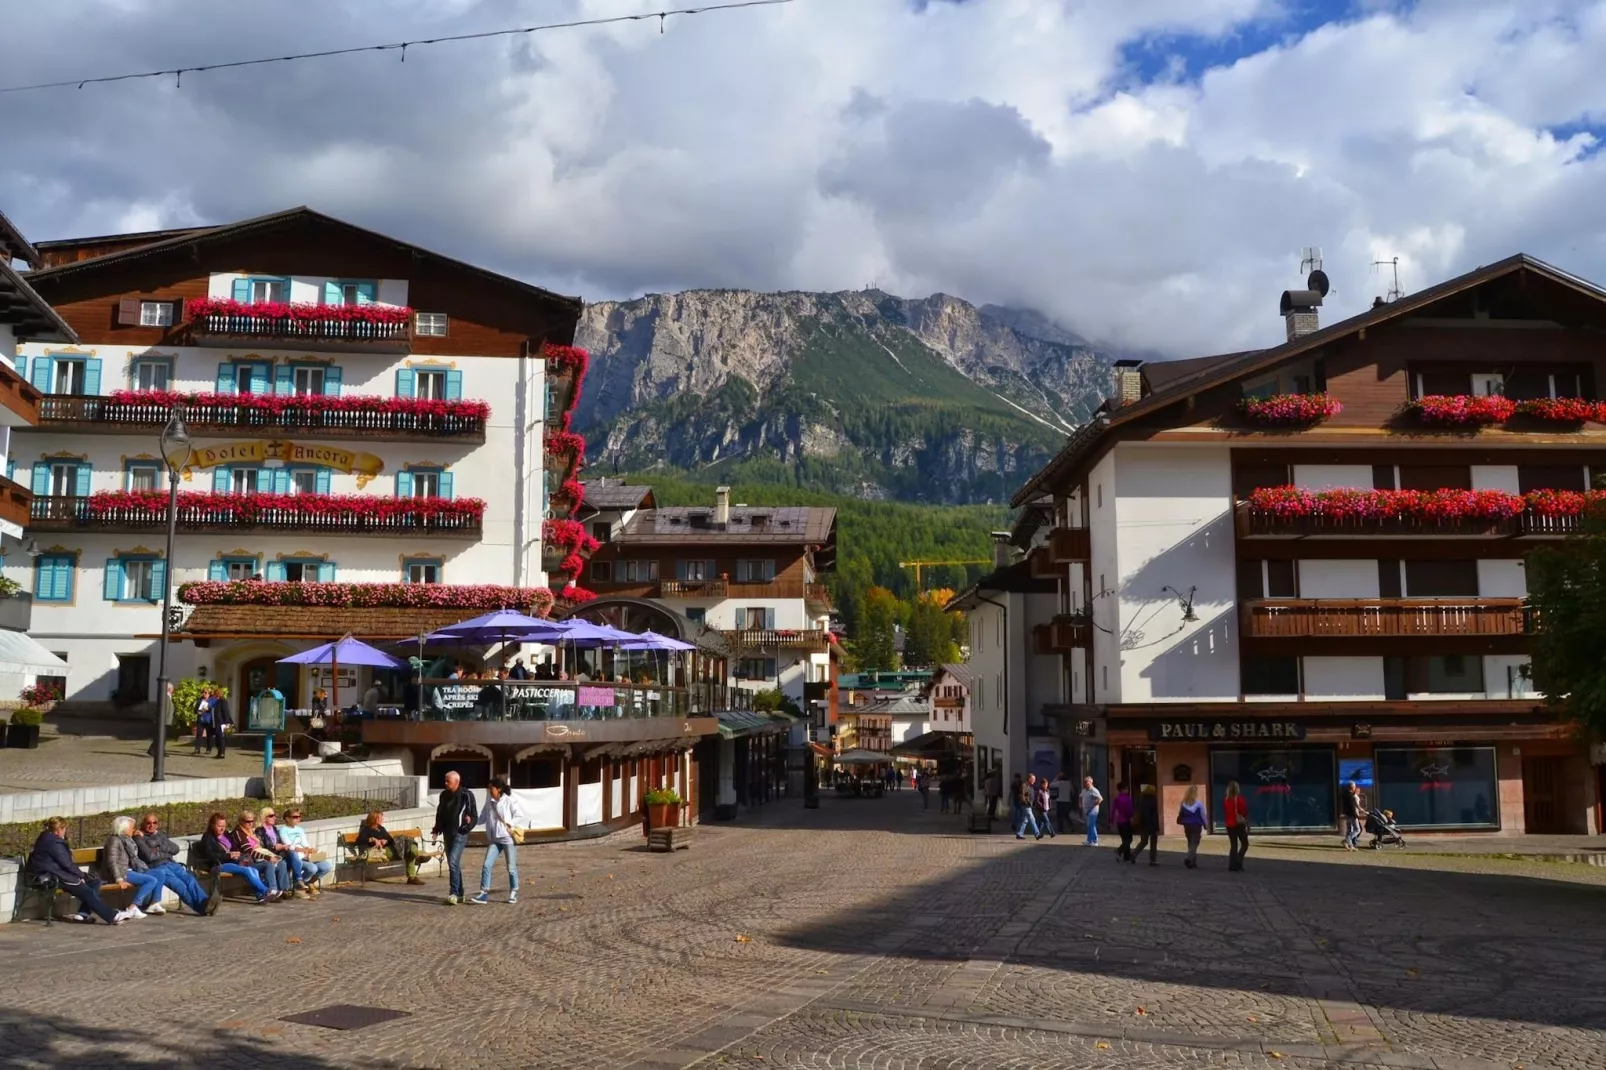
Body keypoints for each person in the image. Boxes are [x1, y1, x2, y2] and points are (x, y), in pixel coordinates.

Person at [27, 817, 131, 925]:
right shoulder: (54, 843)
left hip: (53, 873)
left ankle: (83, 914)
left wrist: (83, 876)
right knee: (86, 891)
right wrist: (81, 875)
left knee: (94, 882)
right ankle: (112, 916)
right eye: (64, 829)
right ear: (59, 830)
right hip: (52, 877)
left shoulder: (46, 838)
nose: (65, 832)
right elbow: (67, 864)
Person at [133, 812, 217, 914]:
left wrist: (158, 848)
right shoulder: (139, 837)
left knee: (190, 879)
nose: (152, 825)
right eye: (148, 823)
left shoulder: (160, 834)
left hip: (171, 864)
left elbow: (175, 849)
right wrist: (166, 853)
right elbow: (149, 856)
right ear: (143, 824)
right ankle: (202, 909)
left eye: (154, 823)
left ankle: (205, 901)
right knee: (180, 886)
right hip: (157, 867)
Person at [193, 812, 272, 903]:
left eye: (224, 826)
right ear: (212, 825)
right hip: (217, 865)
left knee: (253, 870)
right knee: (246, 870)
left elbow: (234, 846)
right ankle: (266, 891)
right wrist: (228, 855)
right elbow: (210, 855)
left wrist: (236, 853)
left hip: (232, 861)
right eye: (219, 826)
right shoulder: (208, 837)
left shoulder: (226, 834)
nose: (222, 828)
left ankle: (260, 896)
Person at [100, 815, 166, 918]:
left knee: (160, 873)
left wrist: (137, 834)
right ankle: (133, 907)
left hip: (131, 870)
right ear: (124, 828)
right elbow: (112, 861)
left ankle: (154, 904)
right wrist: (119, 879)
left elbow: (131, 851)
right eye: (132, 828)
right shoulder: (114, 840)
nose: (134, 829)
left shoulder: (126, 839)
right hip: (122, 873)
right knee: (151, 880)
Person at [472, 777, 525, 905]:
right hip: (494, 839)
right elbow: (483, 818)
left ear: (499, 789)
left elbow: (519, 815)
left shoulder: (509, 801)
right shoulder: (489, 802)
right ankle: (484, 893)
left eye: (491, 788)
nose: (489, 791)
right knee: (486, 865)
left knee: (511, 867)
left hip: (507, 838)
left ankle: (514, 891)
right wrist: (471, 822)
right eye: (489, 788)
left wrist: (510, 825)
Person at [431, 770, 479, 905]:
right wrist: (436, 829)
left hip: (460, 833)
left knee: (452, 861)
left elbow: (474, 815)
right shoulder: (444, 795)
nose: (445, 783)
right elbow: (440, 812)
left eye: (448, 781)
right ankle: (460, 893)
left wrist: (466, 827)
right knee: (454, 863)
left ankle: (453, 892)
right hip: (447, 832)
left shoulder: (466, 795)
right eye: (445, 780)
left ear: (457, 782)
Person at [356, 810, 430, 885]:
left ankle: (414, 859)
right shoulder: (367, 829)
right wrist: (373, 840)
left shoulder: (381, 828)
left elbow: (390, 840)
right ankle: (413, 871)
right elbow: (359, 840)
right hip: (380, 851)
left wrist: (385, 841)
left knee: (409, 849)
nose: (382, 819)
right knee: (409, 853)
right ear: (374, 819)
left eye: (382, 818)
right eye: (380, 818)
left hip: (389, 848)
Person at [273, 809, 334, 896]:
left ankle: (309, 883)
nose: (298, 819)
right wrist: (303, 851)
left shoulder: (300, 830)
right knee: (312, 868)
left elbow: (305, 843)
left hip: (307, 856)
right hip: (296, 857)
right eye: (295, 817)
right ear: (287, 818)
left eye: (299, 817)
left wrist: (310, 849)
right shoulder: (283, 830)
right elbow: (289, 846)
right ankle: (297, 886)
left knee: (326, 866)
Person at [232, 811, 289, 897]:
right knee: (269, 864)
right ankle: (272, 890)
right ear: (241, 821)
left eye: (252, 821)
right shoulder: (238, 833)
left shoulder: (250, 831)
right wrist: (267, 857)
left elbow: (260, 846)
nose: (251, 824)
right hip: (247, 862)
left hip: (257, 858)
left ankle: (282, 890)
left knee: (282, 863)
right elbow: (248, 851)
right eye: (248, 821)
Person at [259, 808, 313, 898]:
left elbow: (282, 843)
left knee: (284, 862)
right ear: (264, 818)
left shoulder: (274, 829)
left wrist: (308, 850)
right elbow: (262, 847)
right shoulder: (260, 831)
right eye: (271, 816)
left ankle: (285, 889)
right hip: (270, 856)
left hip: (280, 855)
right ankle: (293, 885)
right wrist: (275, 847)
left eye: (275, 816)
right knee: (288, 858)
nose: (274, 818)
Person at [1177, 785, 1208, 869]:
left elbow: (1180, 813)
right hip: (1196, 825)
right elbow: (1203, 815)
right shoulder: (1198, 804)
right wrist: (1206, 824)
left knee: (1190, 842)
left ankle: (1193, 862)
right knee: (1195, 843)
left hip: (1187, 825)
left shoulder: (1183, 803)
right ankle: (1189, 859)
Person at [1223, 780, 1251, 872]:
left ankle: (1232, 865)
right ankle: (1238, 861)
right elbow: (1244, 812)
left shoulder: (1226, 800)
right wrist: (1248, 824)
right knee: (1245, 843)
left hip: (1229, 825)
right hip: (1238, 824)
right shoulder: (1240, 799)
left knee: (1233, 845)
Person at [1134, 784, 1160, 866]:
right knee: (1153, 842)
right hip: (1151, 824)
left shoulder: (1141, 799)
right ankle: (1152, 860)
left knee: (1144, 841)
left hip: (1143, 823)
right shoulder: (1153, 800)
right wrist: (1156, 826)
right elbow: (1154, 814)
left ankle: (1133, 855)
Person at [1013, 774, 1043, 840]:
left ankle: (1019, 834)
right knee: (1032, 819)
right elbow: (1021, 795)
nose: (1034, 781)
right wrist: (1026, 802)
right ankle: (1037, 834)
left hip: (1029, 805)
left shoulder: (1030, 786)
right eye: (1033, 779)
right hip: (1025, 805)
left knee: (1024, 820)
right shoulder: (1024, 785)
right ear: (1029, 779)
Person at [1111, 782, 1135, 863]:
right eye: (1126, 788)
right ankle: (1121, 852)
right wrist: (1131, 818)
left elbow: (1113, 810)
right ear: (1122, 789)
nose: (1128, 790)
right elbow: (1129, 811)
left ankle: (1125, 855)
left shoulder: (1116, 799)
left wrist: (1111, 820)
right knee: (1128, 839)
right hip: (1126, 821)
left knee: (1125, 839)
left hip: (1119, 822)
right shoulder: (1128, 799)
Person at [1341, 781, 1365, 851]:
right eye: (1354, 787)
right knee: (1357, 829)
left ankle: (1351, 846)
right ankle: (1346, 840)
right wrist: (1355, 815)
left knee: (1349, 830)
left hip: (1347, 814)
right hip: (1352, 815)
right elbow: (1352, 807)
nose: (1355, 788)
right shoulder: (1350, 795)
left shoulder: (1345, 794)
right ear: (1352, 787)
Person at [1080, 776, 1104, 847]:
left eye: (1087, 782)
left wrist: (1093, 805)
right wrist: (1080, 804)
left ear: (1091, 782)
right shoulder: (1084, 790)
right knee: (1091, 825)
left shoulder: (1094, 790)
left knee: (1090, 825)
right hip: (1087, 810)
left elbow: (1100, 799)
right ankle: (1093, 840)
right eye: (1085, 782)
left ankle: (1091, 840)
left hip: (1093, 810)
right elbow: (1080, 796)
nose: (1085, 783)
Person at [208, 688, 231, 758]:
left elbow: (226, 712)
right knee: (218, 738)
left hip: (222, 723)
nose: (213, 696)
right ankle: (219, 753)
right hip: (217, 723)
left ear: (217, 694)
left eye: (214, 694)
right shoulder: (216, 702)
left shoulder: (223, 701)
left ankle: (222, 753)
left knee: (222, 738)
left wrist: (227, 723)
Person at [193, 686, 213, 756]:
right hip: (201, 720)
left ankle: (208, 749)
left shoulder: (211, 700)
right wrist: (197, 712)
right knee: (199, 735)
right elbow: (195, 710)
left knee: (209, 735)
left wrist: (209, 709)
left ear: (209, 693)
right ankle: (197, 749)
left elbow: (214, 709)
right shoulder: (199, 700)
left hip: (209, 720)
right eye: (203, 692)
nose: (204, 694)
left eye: (206, 692)